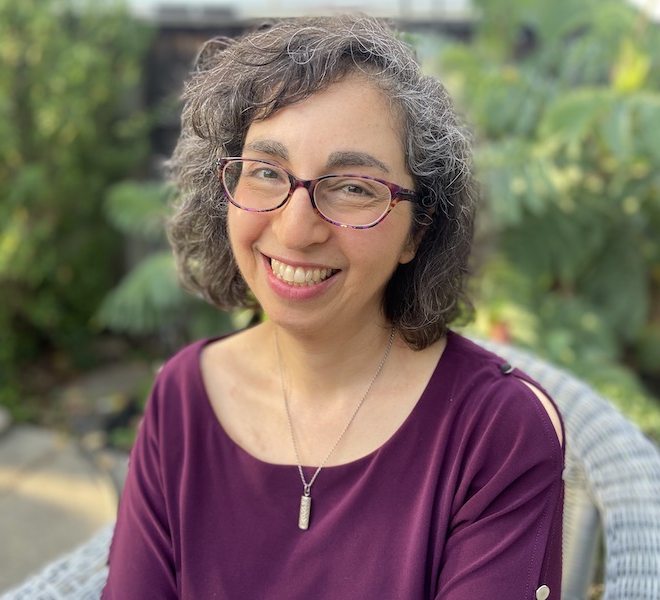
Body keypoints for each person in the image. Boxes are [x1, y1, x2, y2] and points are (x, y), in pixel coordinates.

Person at [102, 14, 564, 600]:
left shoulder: (496, 431)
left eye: (352, 187)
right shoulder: (183, 396)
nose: (296, 230)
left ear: (419, 230)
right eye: (265, 171)